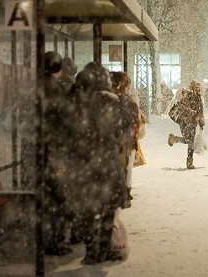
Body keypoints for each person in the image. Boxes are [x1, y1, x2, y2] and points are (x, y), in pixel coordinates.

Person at [64, 62, 129, 264]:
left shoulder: (77, 101)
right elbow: (121, 132)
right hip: (107, 161)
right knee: (108, 209)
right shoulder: (113, 101)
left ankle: (92, 252)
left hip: (84, 162)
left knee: (90, 209)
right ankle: (104, 247)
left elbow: (68, 132)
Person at [42, 51, 72, 256]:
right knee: (57, 197)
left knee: (47, 196)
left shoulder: (37, 85)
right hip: (53, 149)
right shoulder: (54, 89)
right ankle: (53, 241)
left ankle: (47, 238)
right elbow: (63, 120)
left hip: (39, 148)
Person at [111, 71, 140, 208]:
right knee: (123, 168)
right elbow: (135, 122)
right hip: (123, 141)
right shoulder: (127, 101)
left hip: (109, 141)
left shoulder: (105, 99)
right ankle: (123, 195)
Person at [167, 80, 205, 169]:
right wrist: (193, 114)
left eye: (198, 87)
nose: (197, 89)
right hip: (185, 120)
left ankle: (175, 139)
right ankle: (189, 162)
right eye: (196, 87)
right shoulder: (187, 95)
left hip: (193, 122)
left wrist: (201, 120)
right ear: (192, 86)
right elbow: (184, 107)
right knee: (190, 141)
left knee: (189, 140)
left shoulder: (198, 97)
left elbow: (200, 110)